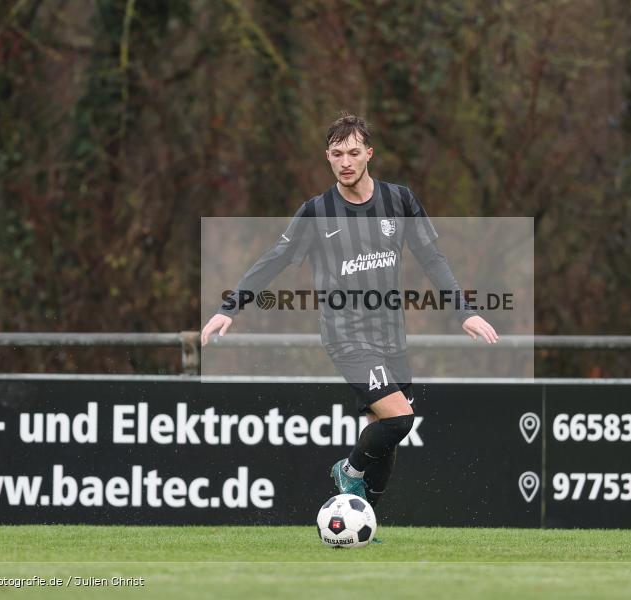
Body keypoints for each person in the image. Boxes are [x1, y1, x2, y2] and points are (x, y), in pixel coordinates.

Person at [201, 113, 498, 513]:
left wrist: (463, 311)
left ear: (369, 154)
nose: (346, 161)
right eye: (337, 153)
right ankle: (349, 471)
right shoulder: (316, 212)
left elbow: (432, 258)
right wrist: (229, 307)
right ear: (327, 157)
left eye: (354, 152)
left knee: (383, 432)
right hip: (347, 335)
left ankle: (365, 516)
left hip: (392, 334)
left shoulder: (400, 200)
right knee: (400, 419)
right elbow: (274, 259)